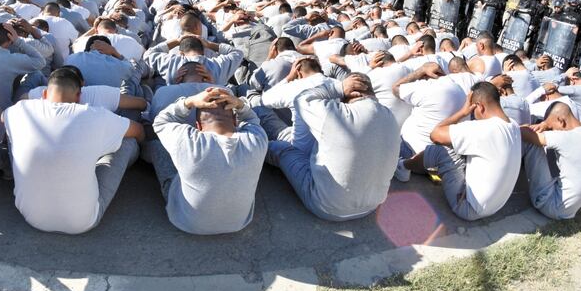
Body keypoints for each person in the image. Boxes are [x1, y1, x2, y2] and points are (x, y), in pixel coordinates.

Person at [3, 68, 145, 233]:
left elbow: (3, 117)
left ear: (44, 95)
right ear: (79, 96)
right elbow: (137, 131)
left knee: (12, 132)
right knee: (127, 141)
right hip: (81, 223)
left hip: (30, 216)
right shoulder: (95, 115)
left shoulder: (19, 110)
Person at [264, 73, 400, 221]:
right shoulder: (390, 117)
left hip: (327, 207)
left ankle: (258, 146)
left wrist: (339, 87)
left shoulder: (336, 114)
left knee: (284, 149)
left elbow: (300, 99)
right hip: (371, 206)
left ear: (350, 92)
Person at [397, 81, 521, 221]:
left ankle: (403, 166)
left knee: (441, 150)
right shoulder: (513, 124)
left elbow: (435, 135)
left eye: (472, 110)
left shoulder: (484, 129)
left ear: (479, 107)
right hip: (496, 206)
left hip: (468, 207)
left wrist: (462, 112)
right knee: (458, 146)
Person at [151, 87, 268, 234]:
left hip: (188, 223)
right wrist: (239, 104)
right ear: (235, 120)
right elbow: (252, 119)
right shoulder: (257, 138)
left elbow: (161, 122)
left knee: (156, 146)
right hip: (238, 223)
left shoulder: (186, 140)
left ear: (197, 126)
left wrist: (190, 101)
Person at [520, 102, 581, 220]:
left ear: (561, 121)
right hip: (575, 205)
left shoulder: (564, 137)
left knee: (533, 142)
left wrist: (524, 127)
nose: (551, 131)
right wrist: (547, 123)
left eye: (551, 128)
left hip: (555, 206)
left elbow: (524, 132)